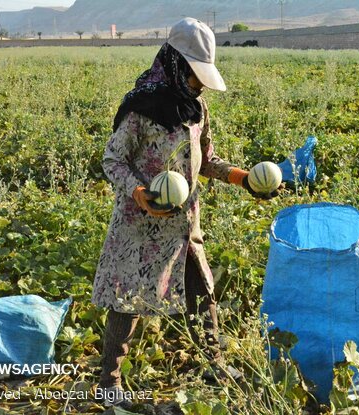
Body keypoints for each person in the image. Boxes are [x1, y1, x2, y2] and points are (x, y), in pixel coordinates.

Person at [91, 17, 281, 408]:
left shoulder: (196, 109)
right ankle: (109, 383)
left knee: (202, 292)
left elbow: (206, 160)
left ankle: (215, 363)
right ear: (176, 63)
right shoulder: (141, 109)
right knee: (127, 302)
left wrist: (243, 178)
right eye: (194, 73)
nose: (198, 83)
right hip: (140, 228)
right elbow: (112, 161)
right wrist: (140, 193)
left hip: (183, 225)